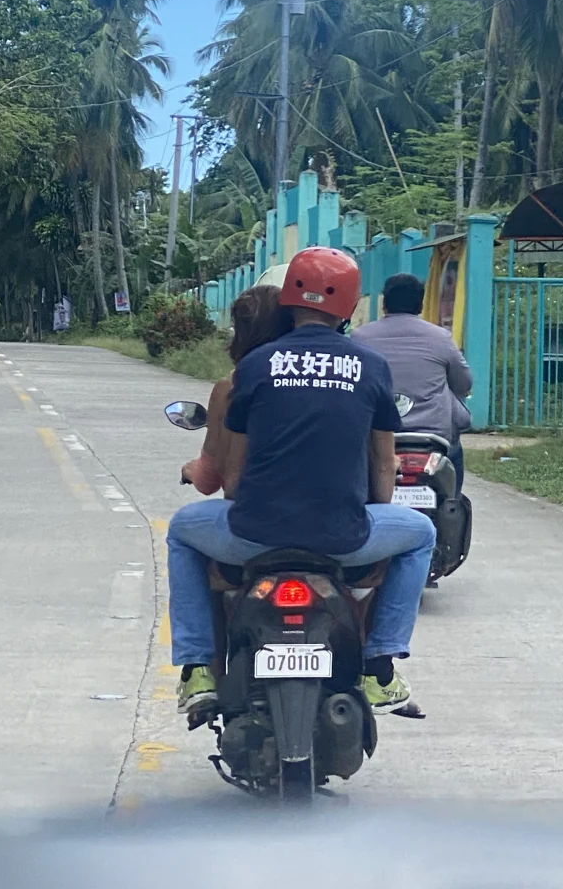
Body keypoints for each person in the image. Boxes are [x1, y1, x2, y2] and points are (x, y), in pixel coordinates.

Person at [167, 247, 436, 719]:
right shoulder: (370, 367)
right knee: (422, 535)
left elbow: (234, 478)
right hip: (343, 538)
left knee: (181, 530)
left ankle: (197, 667)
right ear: (350, 306)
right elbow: (382, 468)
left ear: (289, 297)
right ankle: (380, 665)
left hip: (252, 536)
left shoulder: (254, 367)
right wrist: (369, 509)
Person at [351, 272, 473, 492]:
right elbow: (463, 384)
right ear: (421, 304)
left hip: (377, 434)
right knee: (454, 458)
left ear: (384, 303)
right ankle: (453, 505)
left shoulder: (360, 338)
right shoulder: (440, 338)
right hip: (434, 436)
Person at [181, 284, 293, 497]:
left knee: (181, 525)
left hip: (256, 512)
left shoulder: (232, 386)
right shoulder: (325, 379)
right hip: (329, 511)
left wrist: (191, 471)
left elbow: (209, 479)